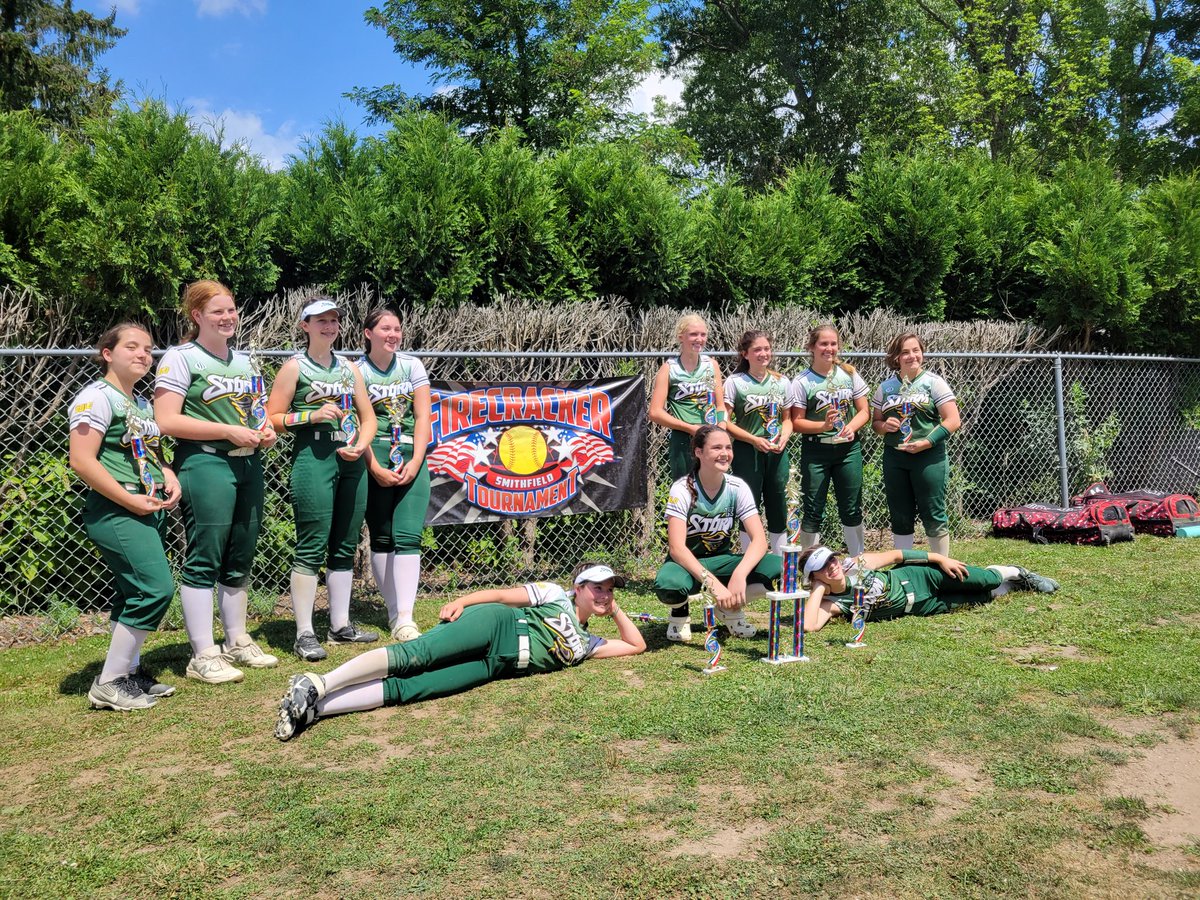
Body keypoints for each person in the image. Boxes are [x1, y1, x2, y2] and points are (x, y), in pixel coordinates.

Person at [274, 563, 646, 740]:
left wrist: (613, 610)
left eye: (610, 589)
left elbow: (635, 644)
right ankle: (319, 683)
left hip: (495, 666)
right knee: (414, 656)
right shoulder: (553, 594)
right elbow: (502, 596)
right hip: (496, 625)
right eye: (597, 587)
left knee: (413, 689)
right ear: (577, 587)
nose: (604, 594)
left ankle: (314, 709)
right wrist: (462, 601)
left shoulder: (588, 643)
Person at [154, 279, 279, 684]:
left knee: (240, 554)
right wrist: (225, 432)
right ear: (197, 316)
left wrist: (266, 430)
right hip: (205, 463)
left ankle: (237, 639)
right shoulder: (181, 357)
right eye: (217, 312)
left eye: (231, 309)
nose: (227, 318)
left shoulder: (244, 360)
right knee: (206, 554)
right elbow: (166, 419)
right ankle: (202, 653)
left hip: (248, 463)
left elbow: (256, 412)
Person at [69, 324, 182, 710]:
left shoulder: (141, 403)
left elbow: (149, 453)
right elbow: (81, 461)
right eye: (131, 347)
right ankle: (111, 681)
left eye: (148, 350)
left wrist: (167, 472)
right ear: (107, 353)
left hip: (145, 506)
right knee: (156, 589)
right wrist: (128, 500)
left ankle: (129, 672)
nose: (142, 355)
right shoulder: (96, 397)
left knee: (131, 592)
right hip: (118, 508)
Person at [266, 298, 379, 661]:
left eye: (333, 320)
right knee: (312, 543)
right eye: (320, 321)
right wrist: (310, 416)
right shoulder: (294, 367)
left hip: (350, 459)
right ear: (305, 325)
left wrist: (361, 444)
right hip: (313, 456)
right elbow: (272, 419)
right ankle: (303, 632)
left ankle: (340, 624)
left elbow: (369, 418)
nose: (328, 326)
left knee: (345, 543)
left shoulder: (349, 368)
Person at [654, 424, 782, 642]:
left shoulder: (737, 487)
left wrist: (740, 574)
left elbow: (759, 540)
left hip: (721, 560)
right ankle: (679, 612)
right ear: (698, 452)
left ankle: (729, 609)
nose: (725, 454)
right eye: (716, 448)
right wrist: (715, 587)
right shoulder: (682, 488)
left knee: (778, 568)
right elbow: (676, 548)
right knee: (669, 584)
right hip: (686, 563)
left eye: (728, 448)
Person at [358, 308, 431, 643]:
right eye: (385, 328)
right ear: (367, 333)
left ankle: (405, 617)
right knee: (383, 537)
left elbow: (422, 418)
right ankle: (393, 612)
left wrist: (416, 461)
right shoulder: (356, 370)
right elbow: (357, 423)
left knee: (408, 536)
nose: (392, 334)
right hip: (373, 454)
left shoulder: (412, 365)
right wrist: (373, 466)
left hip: (411, 456)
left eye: (397, 329)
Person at [797, 545, 1060, 633]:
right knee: (983, 598)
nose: (832, 566)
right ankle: (1013, 587)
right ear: (814, 576)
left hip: (921, 578)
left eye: (831, 558)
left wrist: (938, 558)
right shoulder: (833, 603)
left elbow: (898, 555)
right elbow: (809, 626)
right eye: (822, 567)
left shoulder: (856, 564)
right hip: (922, 607)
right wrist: (819, 588)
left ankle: (1016, 572)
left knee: (984, 581)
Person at [871, 333, 961, 555]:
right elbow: (876, 422)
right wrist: (885, 426)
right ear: (895, 357)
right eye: (905, 352)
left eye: (916, 350)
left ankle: (941, 570)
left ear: (922, 352)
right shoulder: (886, 387)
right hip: (895, 457)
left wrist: (927, 442)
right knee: (900, 514)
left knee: (933, 512)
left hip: (928, 457)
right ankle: (906, 568)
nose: (912, 356)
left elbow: (953, 420)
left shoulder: (933, 382)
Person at [789, 324, 870, 556]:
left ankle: (858, 564)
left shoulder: (849, 373)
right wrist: (823, 426)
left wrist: (851, 428)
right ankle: (808, 566)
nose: (829, 348)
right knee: (813, 510)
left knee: (852, 508)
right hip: (817, 451)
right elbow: (796, 422)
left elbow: (864, 411)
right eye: (823, 344)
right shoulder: (802, 381)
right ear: (812, 347)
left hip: (848, 450)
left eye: (833, 343)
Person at [723, 330, 794, 553]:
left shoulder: (782, 382)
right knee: (748, 504)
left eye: (766, 349)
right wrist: (753, 439)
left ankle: (781, 563)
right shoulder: (735, 382)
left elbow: (788, 419)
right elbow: (723, 421)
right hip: (747, 450)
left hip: (776, 451)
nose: (763, 354)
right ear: (745, 354)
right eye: (757, 350)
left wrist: (784, 436)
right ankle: (748, 559)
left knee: (779, 504)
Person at [649, 313, 726, 480]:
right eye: (693, 334)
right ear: (681, 337)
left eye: (703, 334)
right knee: (687, 489)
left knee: (714, 488)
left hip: (711, 436)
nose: (699, 339)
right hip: (683, 438)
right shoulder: (669, 368)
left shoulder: (711, 365)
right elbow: (655, 412)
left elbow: (720, 406)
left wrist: (721, 428)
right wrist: (690, 428)